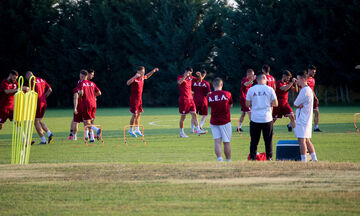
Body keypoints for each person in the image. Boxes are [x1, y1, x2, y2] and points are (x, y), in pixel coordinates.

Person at [246, 72, 278, 160]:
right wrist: (268, 102)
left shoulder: (251, 89)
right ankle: (269, 157)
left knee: (254, 141)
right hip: (267, 118)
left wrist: (255, 102)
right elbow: (276, 103)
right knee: (268, 140)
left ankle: (252, 157)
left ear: (257, 79)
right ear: (264, 78)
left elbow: (247, 104)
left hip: (255, 118)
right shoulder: (270, 89)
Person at [126, 66, 159, 137]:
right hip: (134, 99)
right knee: (134, 115)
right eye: (142, 72)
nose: (143, 73)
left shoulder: (142, 78)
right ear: (138, 72)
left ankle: (137, 129)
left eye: (144, 72)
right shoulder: (136, 78)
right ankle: (130, 130)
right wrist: (135, 76)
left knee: (139, 114)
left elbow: (147, 76)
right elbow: (128, 83)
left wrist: (153, 71)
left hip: (139, 99)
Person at [294, 70, 318, 162]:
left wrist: (298, 105)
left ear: (303, 79)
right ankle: (315, 159)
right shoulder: (309, 90)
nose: (297, 81)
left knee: (301, 141)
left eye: (298, 79)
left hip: (302, 119)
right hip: (307, 118)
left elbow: (295, 104)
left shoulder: (304, 90)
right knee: (307, 140)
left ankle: (304, 161)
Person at [207, 77, 233, 162]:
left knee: (217, 142)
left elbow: (209, 105)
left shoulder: (209, 96)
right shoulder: (227, 94)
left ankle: (220, 160)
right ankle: (228, 160)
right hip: (225, 121)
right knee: (226, 142)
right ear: (221, 84)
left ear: (213, 85)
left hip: (214, 121)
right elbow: (231, 105)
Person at [25, 71, 54, 144]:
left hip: (37, 103)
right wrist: (43, 97)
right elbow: (50, 90)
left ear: (27, 76)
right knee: (39, 121)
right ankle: (49, 134)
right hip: (44, 102)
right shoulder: (42, 80)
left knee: (35, 121)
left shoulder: (31, 80)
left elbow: (30, 91)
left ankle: (43, 140)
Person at [177, 66, 207, 138]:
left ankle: (198, 130)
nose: (190, 74)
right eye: (189, 72)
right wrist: (185, 76)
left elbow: (200, 80)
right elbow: (179, 82)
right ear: (186, 71)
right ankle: (181, 133)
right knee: (183, 117)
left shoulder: (191, 78)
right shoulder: (180, 77)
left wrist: (199, 75)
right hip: (184, 100)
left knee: (194, 114)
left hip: (191, 99)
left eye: (191, 73)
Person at [77, 70, 102, 142]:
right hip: (94, 103)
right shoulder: (92, 83)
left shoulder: (81, 83)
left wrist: (79, 97)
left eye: (80, 75)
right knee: (90, 121)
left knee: (86, 122)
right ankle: (92, 138)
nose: (80, 76)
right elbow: (99, 93)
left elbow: (81, 93)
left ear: (82, 76)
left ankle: (97, 130)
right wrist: (92, 96)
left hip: (86, 104)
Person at [68, 70, 88, 140]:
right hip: (86, 104)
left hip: (80, 104)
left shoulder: (80, 82)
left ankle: (74, 137)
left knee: (76, 121)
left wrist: (77, 99)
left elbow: (79, 93)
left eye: (81, 76)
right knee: (86, 120)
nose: (80, 77)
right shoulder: (87, 83)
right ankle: (87, 135)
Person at [307, 65, 321, 132]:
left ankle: (316, 128)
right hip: (307, 99)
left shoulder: (313, 79)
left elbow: (312, 90)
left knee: (317, 112)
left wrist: (315, 97)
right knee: (304, 113)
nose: (314, 73)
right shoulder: (304, 78)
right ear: (309, 71)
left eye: (315, 72)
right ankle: (290, 123)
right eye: (313, 72)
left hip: (312, 98)